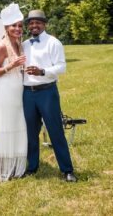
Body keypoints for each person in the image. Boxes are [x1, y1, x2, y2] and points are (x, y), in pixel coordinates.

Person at [22, 10, 77, 182]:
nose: (34, 25)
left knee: (55, 131)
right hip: (27, 93)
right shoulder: (24, 44)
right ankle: (32, 168)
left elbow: (61, 67)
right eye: (31, 23)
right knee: (30, 133)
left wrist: (43, 71)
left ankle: (67, 170)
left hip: (47, 92)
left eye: (38, 22)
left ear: (44, 24)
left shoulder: (53, 42)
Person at [0, 3, 27, 181]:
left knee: (18, 126)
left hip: (18, 90)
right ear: (6, 27)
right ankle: (4, 169)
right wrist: (11, 66)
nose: (18, 29)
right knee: (6, 127)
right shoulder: (1, 46)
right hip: (4, 90)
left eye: (20, 25)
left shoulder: (19, 44)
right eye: (14, 26)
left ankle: (17, 167)